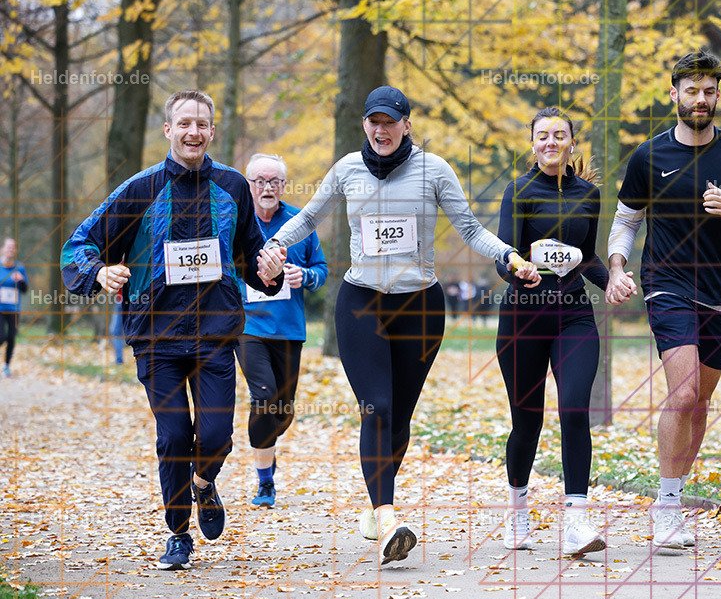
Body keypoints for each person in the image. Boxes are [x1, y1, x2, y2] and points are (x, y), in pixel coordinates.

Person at [260, 86, 540, 565]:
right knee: (378, 407)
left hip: (420, 308)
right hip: (361, 303)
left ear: (407, 125)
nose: (382, 130)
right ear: (364, 125)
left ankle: (377, 501)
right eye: (374, 121)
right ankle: (388, 516)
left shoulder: (435, 170)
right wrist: (272, 246)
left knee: (400, 418)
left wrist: (509, 256)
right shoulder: (347, 169)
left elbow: (470, 229)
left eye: (391, 121)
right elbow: (308, 218)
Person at [61, 90, 285, 571]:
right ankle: (178, 533)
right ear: (168, 130)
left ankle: (203, 484)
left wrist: (268, 270)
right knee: (174, 437)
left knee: (217, 435)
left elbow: (249, 255)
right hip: (156, 337)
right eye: (184, 123)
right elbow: (79, 245)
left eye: (201, 124)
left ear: (211, 131)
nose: (193, 132)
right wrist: (99, 271)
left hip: (215, 333)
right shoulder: (140, 189)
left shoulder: (232, 186)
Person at [606, 50, 721, 552]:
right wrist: (617, 268)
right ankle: (667, 508)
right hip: (666, 284)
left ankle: (674, 497)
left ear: (717, 95)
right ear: (674, 95)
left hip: (719, 292)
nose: (700, 99)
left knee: (701, 401)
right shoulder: (648, 156)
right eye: (692, 90)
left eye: (709, 91)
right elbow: (626, 220)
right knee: (684, 393)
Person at [495, 107, 609, 556]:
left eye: (559, 135)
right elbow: (503, 254)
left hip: (574, 316)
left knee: (575, 408)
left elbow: (587, 256)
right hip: (523, 318)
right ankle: (517, 510)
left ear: (571, 143)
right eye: (542, 135)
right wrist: (516, 269)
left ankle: (576, 521)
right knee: (527, 423)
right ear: (532, 144)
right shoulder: (518, 190)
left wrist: (612, 281)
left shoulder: (589, 194)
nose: (551, 142)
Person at [237, 153, 328, 508]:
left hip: (289, 329)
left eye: (274, 181)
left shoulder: (300, 223)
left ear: (284, 185)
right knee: (263, 395)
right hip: (248, 325)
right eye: (260, 181)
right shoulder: (237, 221)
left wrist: (304, 275)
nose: (267, 188)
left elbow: (321, 270)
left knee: (283, 411)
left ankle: (266, 450)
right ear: (249, 185)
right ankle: (265, 482)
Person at [0, 238, 28, 378]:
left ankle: (6, 367)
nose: (11, 249)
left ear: (15, 250)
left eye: (13, 247)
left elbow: (24, 289)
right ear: (2, 249)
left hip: (13, 309)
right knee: (1, 337)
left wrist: (21, 280)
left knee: (11, 337)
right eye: (8, 247)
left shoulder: (19, 267)